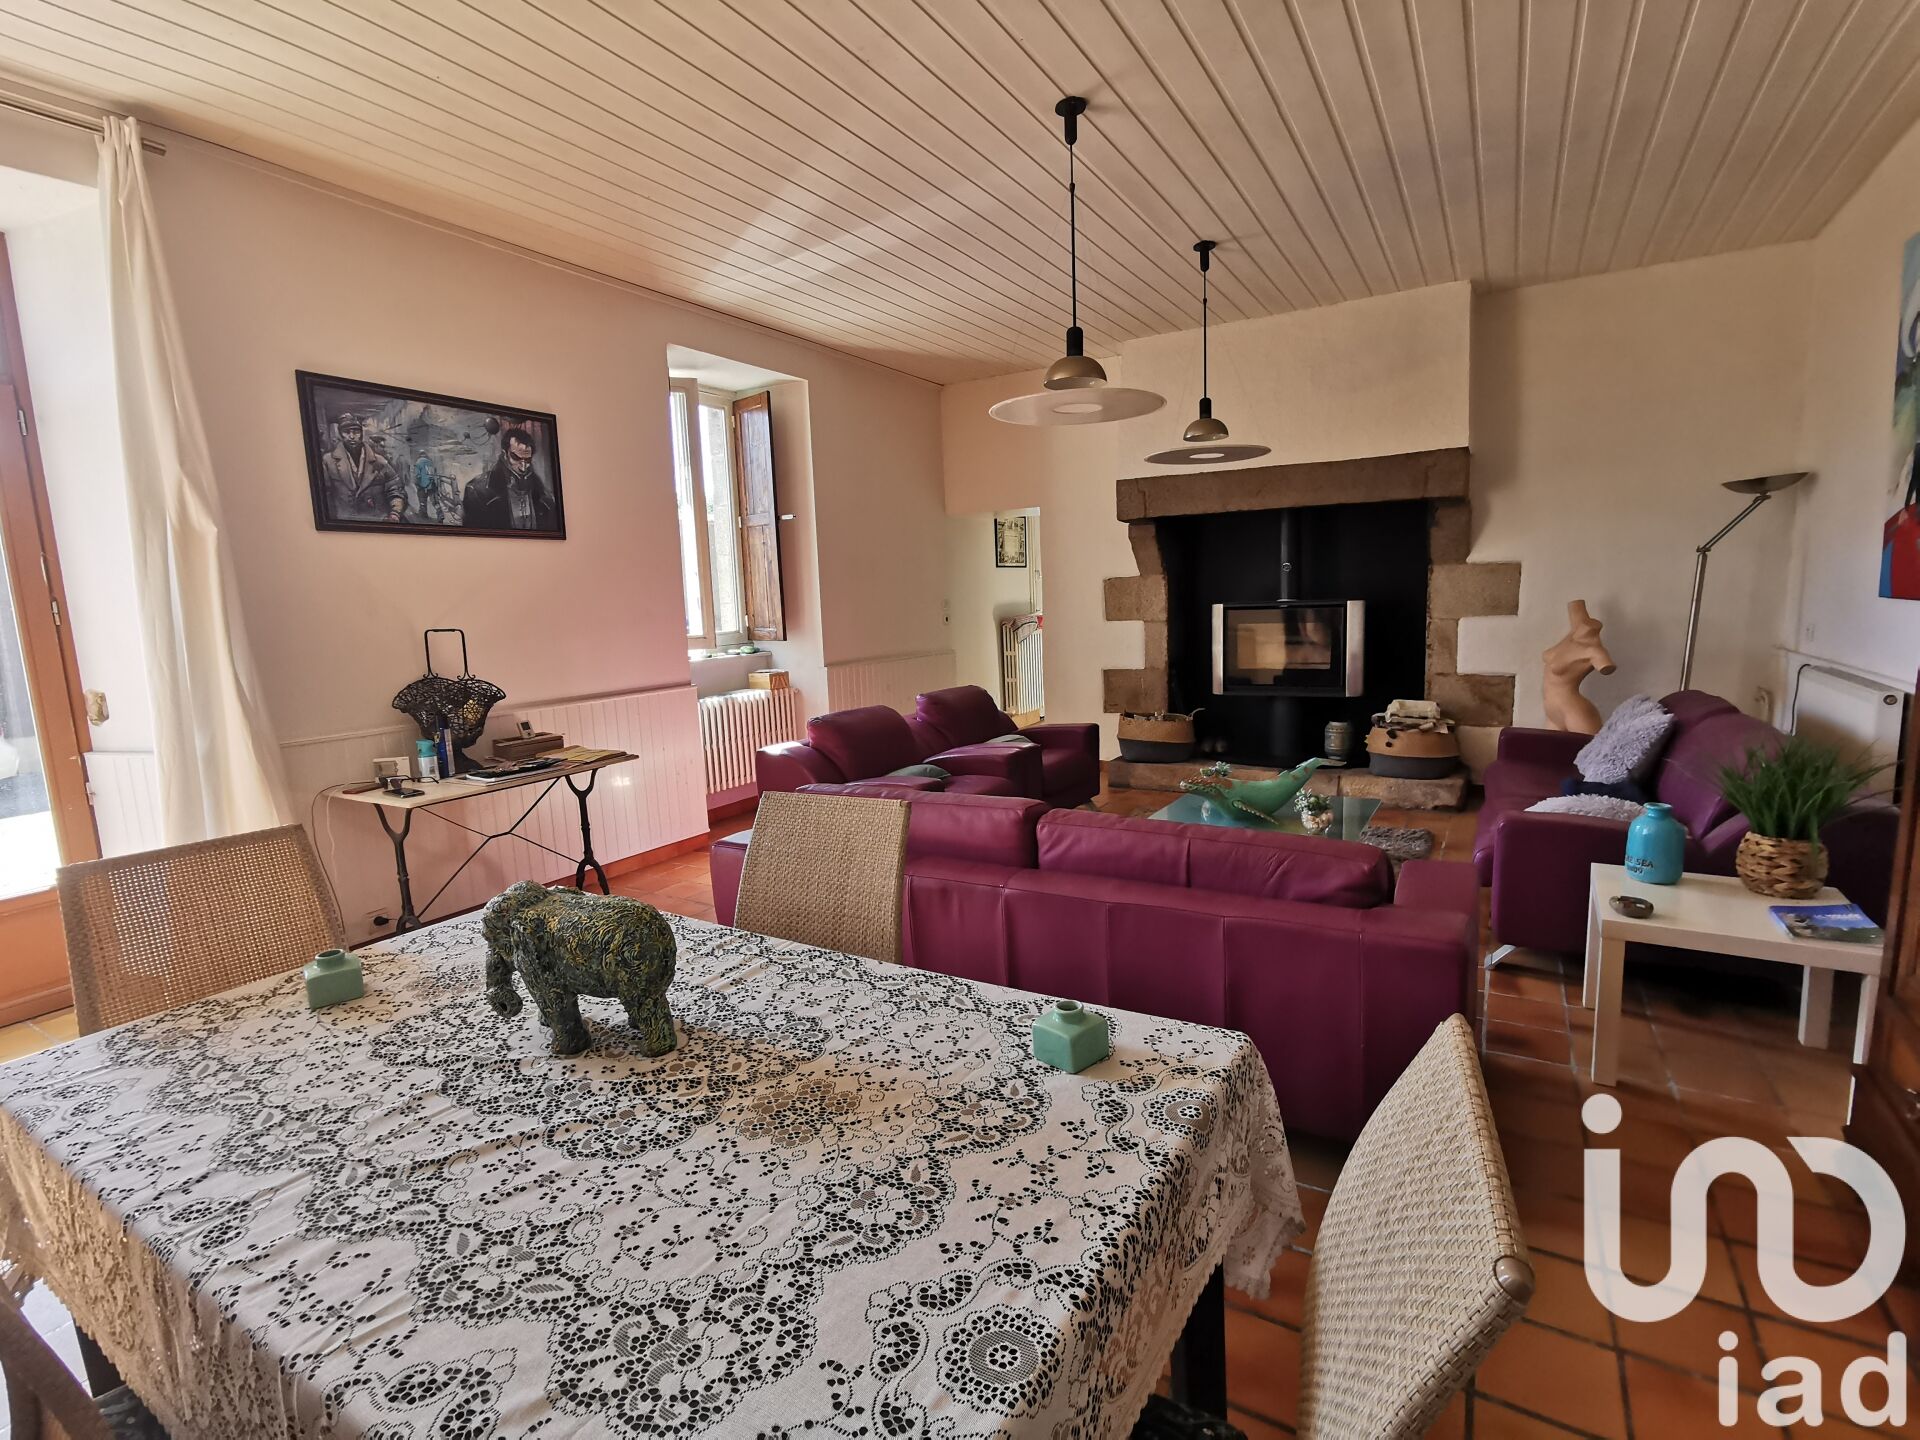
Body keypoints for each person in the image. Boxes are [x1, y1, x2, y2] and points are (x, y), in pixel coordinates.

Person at [462, 427, 556, 531]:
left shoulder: (545, 496)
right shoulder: (478, 491)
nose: (523, 467)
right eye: (516, 458)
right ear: (504, 454)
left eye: (527, 459)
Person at [319, 412, 406, 522]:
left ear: (361, 433)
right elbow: (324, 495)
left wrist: (395, 513)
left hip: (378, 522)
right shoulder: (328, 461)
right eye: (346, 432)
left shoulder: (380, 462)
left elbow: (396, 490)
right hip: (344, 523)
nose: (351, 436)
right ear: (340, 434)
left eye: (356, 431)